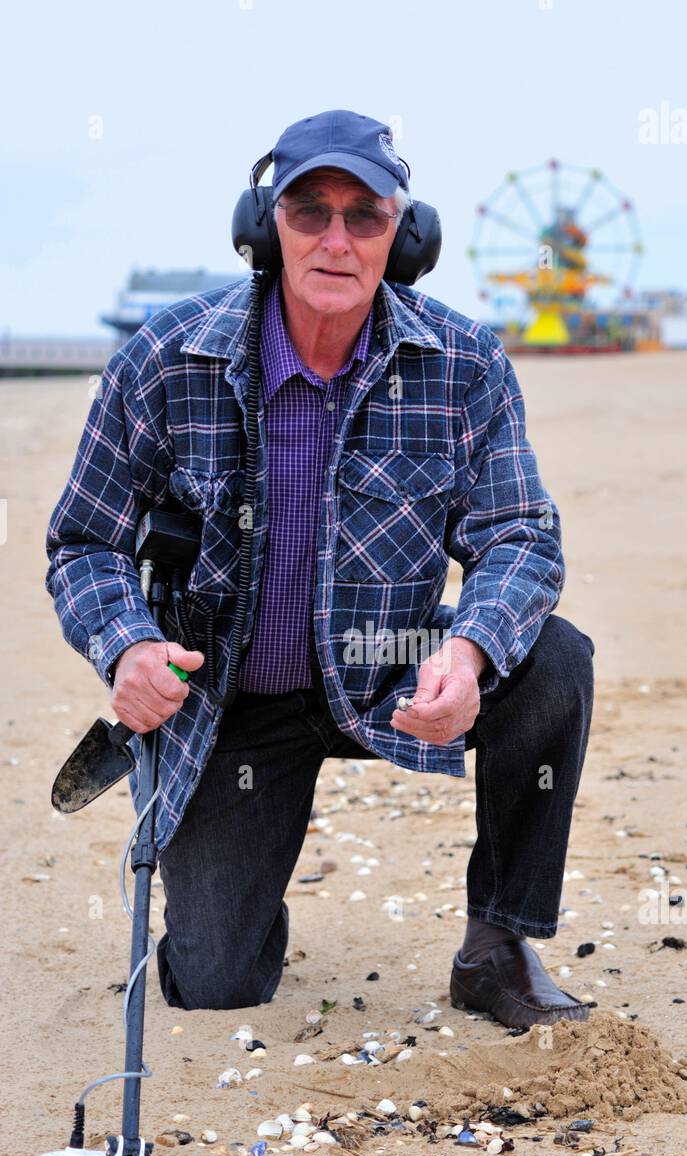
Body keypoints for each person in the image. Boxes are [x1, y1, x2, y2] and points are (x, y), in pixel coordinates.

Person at [45, 109, 595, 1029]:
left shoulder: (464, 363)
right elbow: (83, 543)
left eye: (364, 216)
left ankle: (496, 945)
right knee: (215, 983)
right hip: (227, 696)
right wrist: (127, 648)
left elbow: (519, 536)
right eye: (309, 212)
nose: (336, 239)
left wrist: (464, 655)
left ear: (402, 236)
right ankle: (239, 882)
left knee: (550, 659)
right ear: (266, 226)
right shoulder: (161, 359)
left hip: (391, 665)